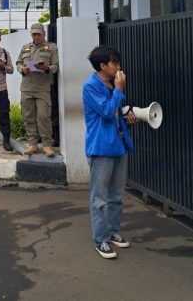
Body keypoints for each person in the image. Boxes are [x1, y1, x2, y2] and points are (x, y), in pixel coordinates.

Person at [83, 45, 137, 260]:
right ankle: (101, 239)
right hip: (101, 147)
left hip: (118, 145)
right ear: (102, 65)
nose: (118, 66)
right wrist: (119, 90)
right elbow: (106, 111)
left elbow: (116, 114)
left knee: (116, 195)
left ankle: (113, 231)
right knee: (100, 198)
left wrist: (130, 118)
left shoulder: (112, 84)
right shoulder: (91, 86)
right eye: (114, 63)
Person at [16, 23, 59, 157]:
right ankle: (32, 144)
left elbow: (56, 66)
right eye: (34, 34)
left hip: (43, 88)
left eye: (38, 34)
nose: (36, 36)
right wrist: (22, 69)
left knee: (44, 117)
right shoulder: (25, 48)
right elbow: (18, 63)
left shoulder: (51, 48)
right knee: (29, 117)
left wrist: (46, 68)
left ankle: (47, 145)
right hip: (27, 87)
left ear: (44, 34)